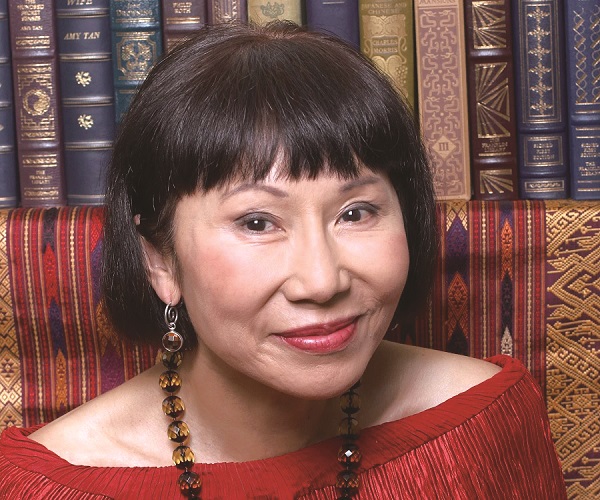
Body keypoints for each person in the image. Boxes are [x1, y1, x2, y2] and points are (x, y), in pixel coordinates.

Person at [0, 22, 565, 499]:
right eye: (257, 223)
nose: (321, 281)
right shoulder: (48, 485)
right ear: (160, 261)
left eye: (356, 213)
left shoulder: (482, 422)